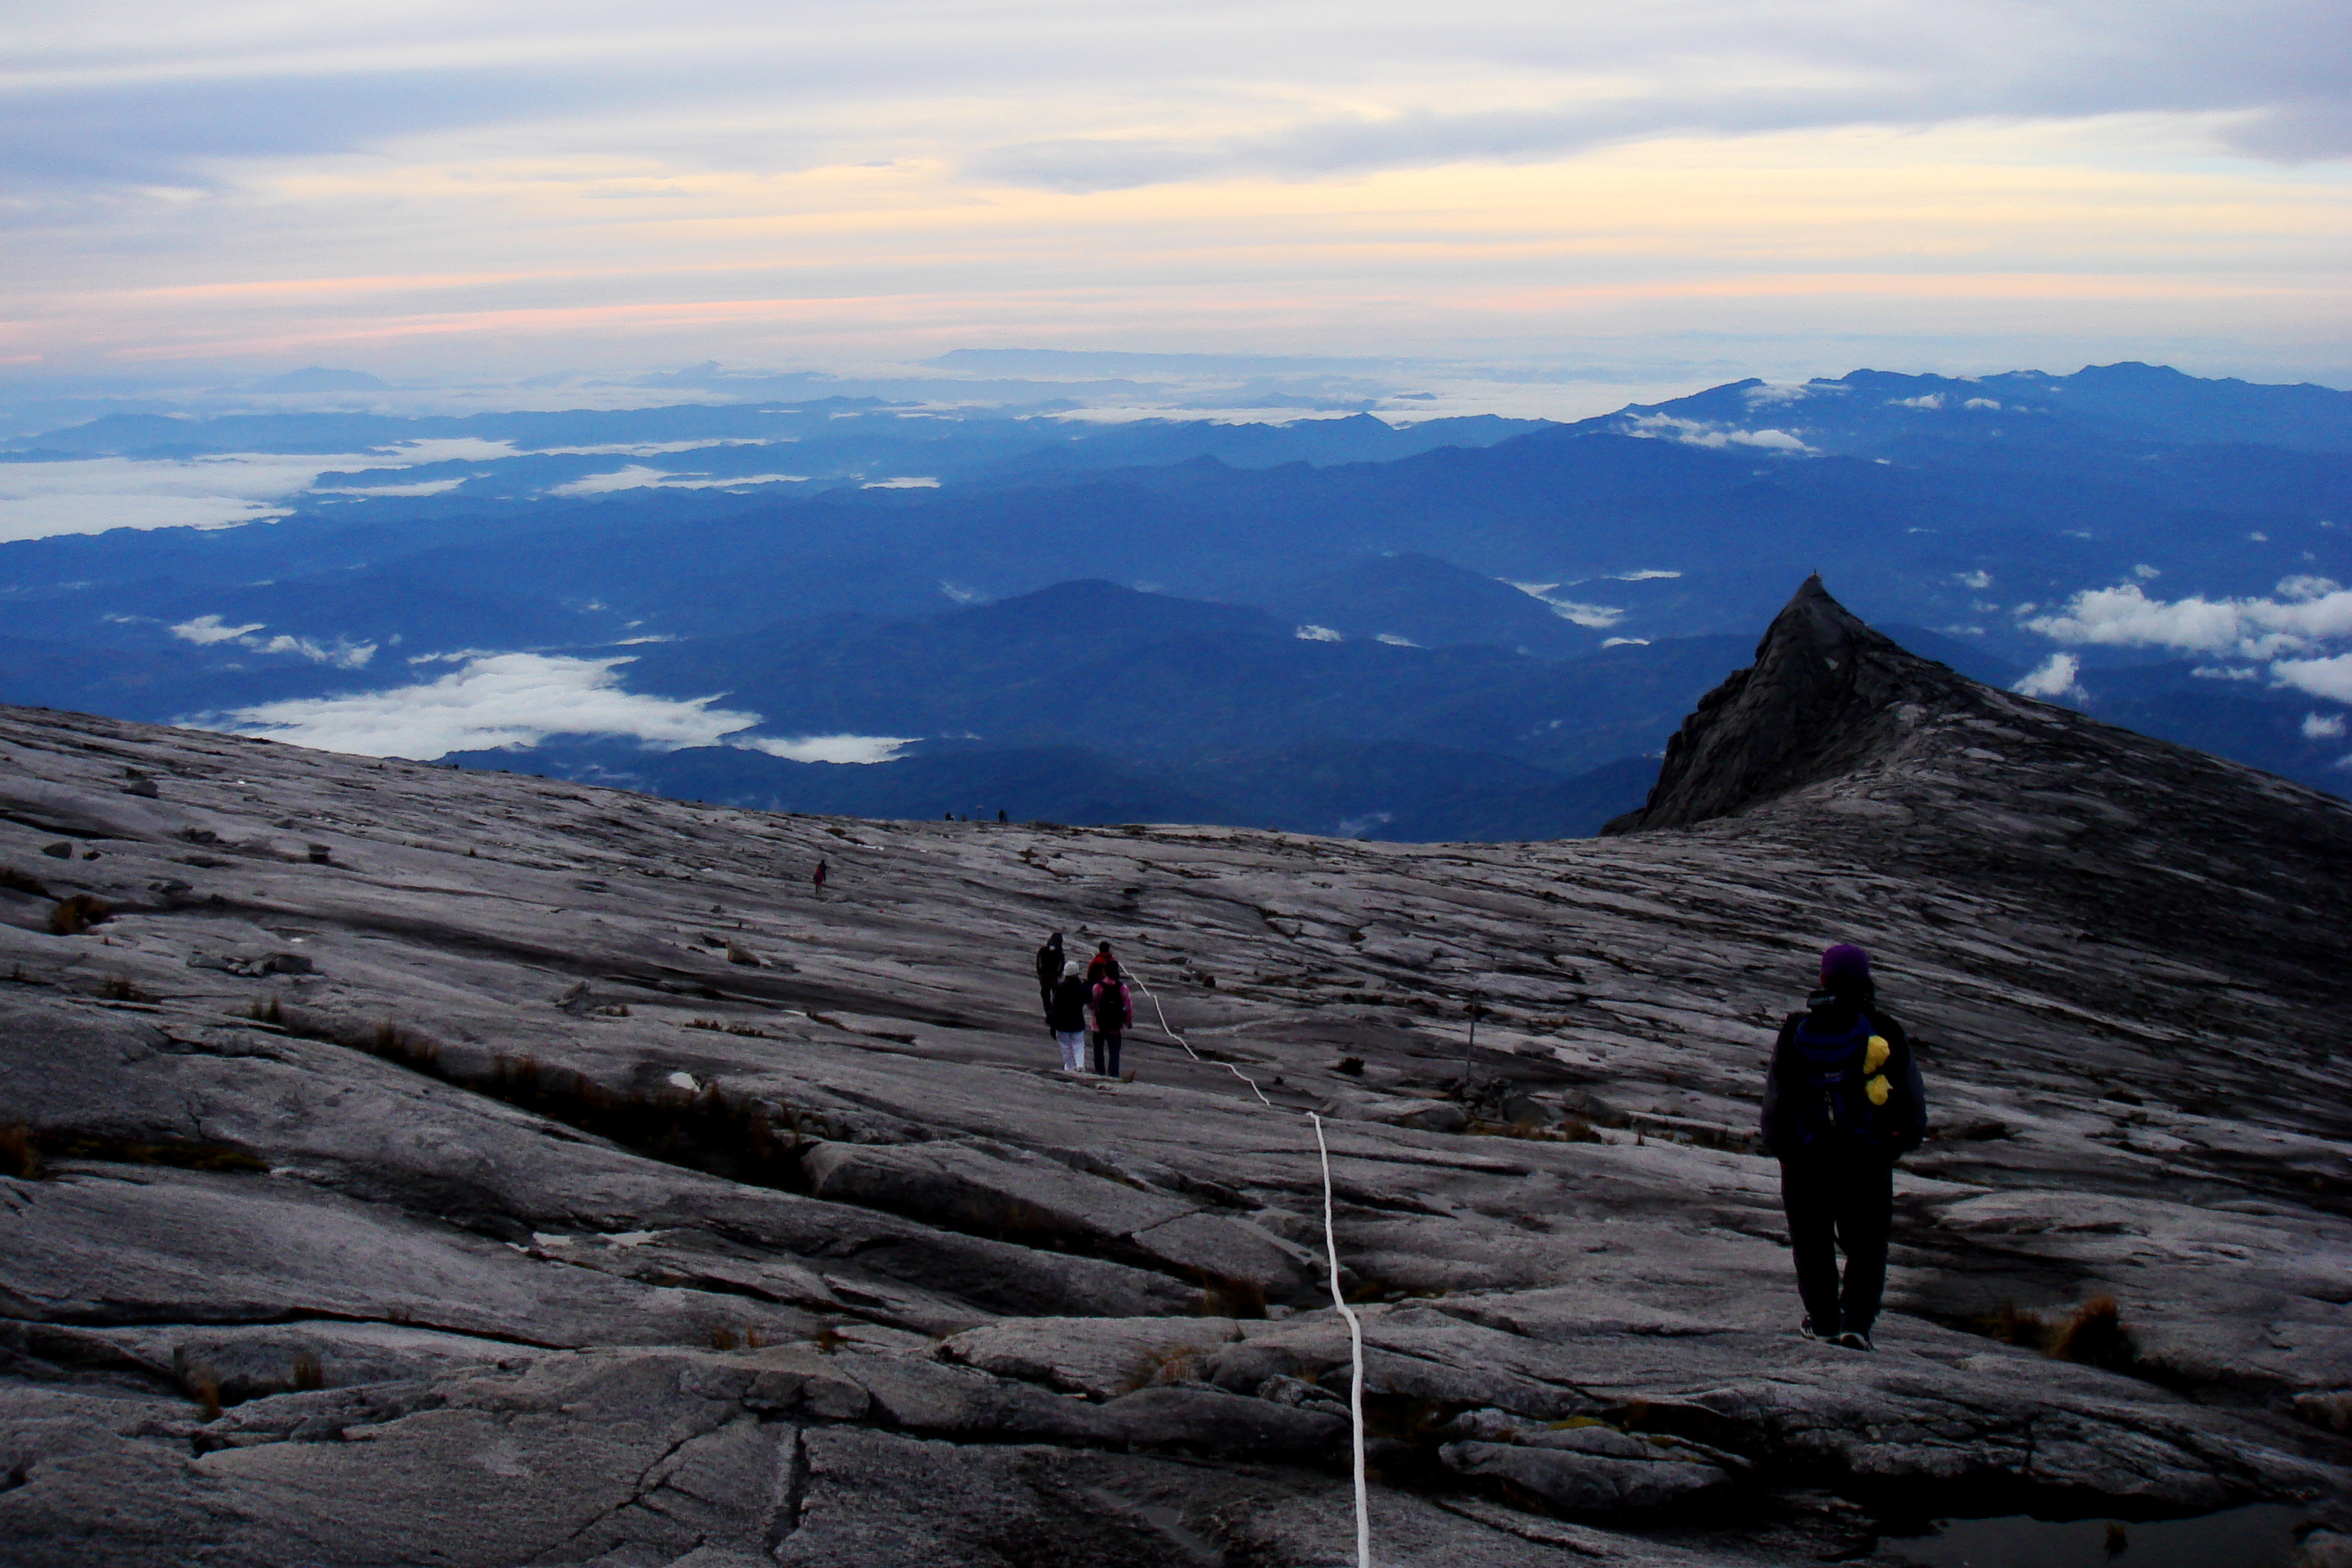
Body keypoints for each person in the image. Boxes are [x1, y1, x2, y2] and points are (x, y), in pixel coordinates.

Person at [1759, 943, 1926, 1352]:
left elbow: (1778, 1097)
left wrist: (1782, 1146)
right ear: (1866, 980)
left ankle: (1823, 1322)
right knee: (1867, 1243)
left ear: (1823, 980)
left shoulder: (1796, 1029)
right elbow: (1910, 1099)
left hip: (1807, 1158)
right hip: (1866, 1157)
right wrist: (1896, 1144)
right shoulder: (1884, 1031)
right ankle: (1857, 1325)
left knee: (1811, 1242)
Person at [1089, 960, 1132, 1079]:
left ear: (1105, 971)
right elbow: (1128, 1006)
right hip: (1116, 1026)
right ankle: (1113, 1074)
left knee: (1098, 1051)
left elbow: (1092, 1004)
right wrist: (1128, 1022)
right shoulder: (1123, 988)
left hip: (1099, 1025)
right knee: (1114, 1053)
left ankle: (1100, 1072)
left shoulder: (1098, 987)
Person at [1047, 960, 1090, 1073]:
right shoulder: (1081, 987)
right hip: (1077, 1021)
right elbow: (1088, 998)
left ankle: (1070, 1067)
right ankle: (1080, 1065)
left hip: (1062, 1024)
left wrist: (1052, 1024)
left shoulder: (1060, 988)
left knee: (1065, 1046)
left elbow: (1055, 1007)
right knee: (1079, 1045)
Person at [1033, 931, 1064, 1017]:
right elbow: (1061, 966)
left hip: (1044, 976)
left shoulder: (1043, 950)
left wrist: (1040, 974)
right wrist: (1058, 975)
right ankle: (1054, 1012)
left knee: (1045, 995)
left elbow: (1038, 963)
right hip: (1054, 977)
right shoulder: (1060, 952)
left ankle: (1048, 1012)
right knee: (1055, 995)